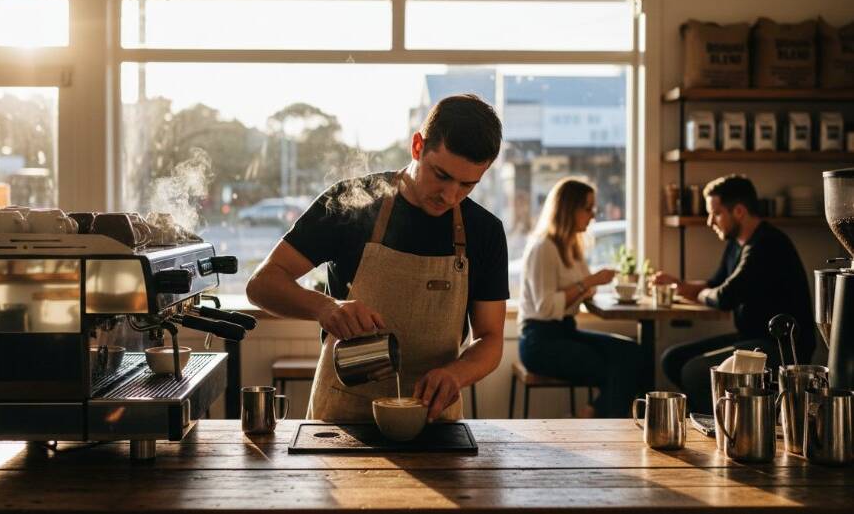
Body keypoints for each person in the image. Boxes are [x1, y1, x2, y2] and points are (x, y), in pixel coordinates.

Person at [246, 94, 508, 423]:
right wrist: (325, 307)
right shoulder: (351, 201)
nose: (450, 195)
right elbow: (262, 284)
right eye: (440, 175)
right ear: (417, 147)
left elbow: (491, 338)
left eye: (467, 184)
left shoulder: (485, 232)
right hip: (343, 415)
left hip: (432, 418)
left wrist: (457, 374)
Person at [654, 174, 816, 413]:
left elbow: (723, 297)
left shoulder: (766, 245)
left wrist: (693, 292)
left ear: (739, 211)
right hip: (751, 339)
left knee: (694, 371)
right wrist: (678, 284)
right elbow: (716, 283)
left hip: (780, 347)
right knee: (673, 359)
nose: (710, 222)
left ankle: (721, 427)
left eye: (715, 213)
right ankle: (725, 420)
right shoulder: (737, 243)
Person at [518, 178, 645, 418]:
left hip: (567, 331)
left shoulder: (572, 247)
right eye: (588, 208)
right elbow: (545, 307)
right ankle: (592, 420)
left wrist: (591, 284)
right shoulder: (543, 248)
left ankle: (591, 414)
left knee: (632, 353)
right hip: (540, 340)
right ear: (568, 209)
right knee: (618, 369)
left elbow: (584, 290)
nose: (593, 215)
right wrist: (588, 282)